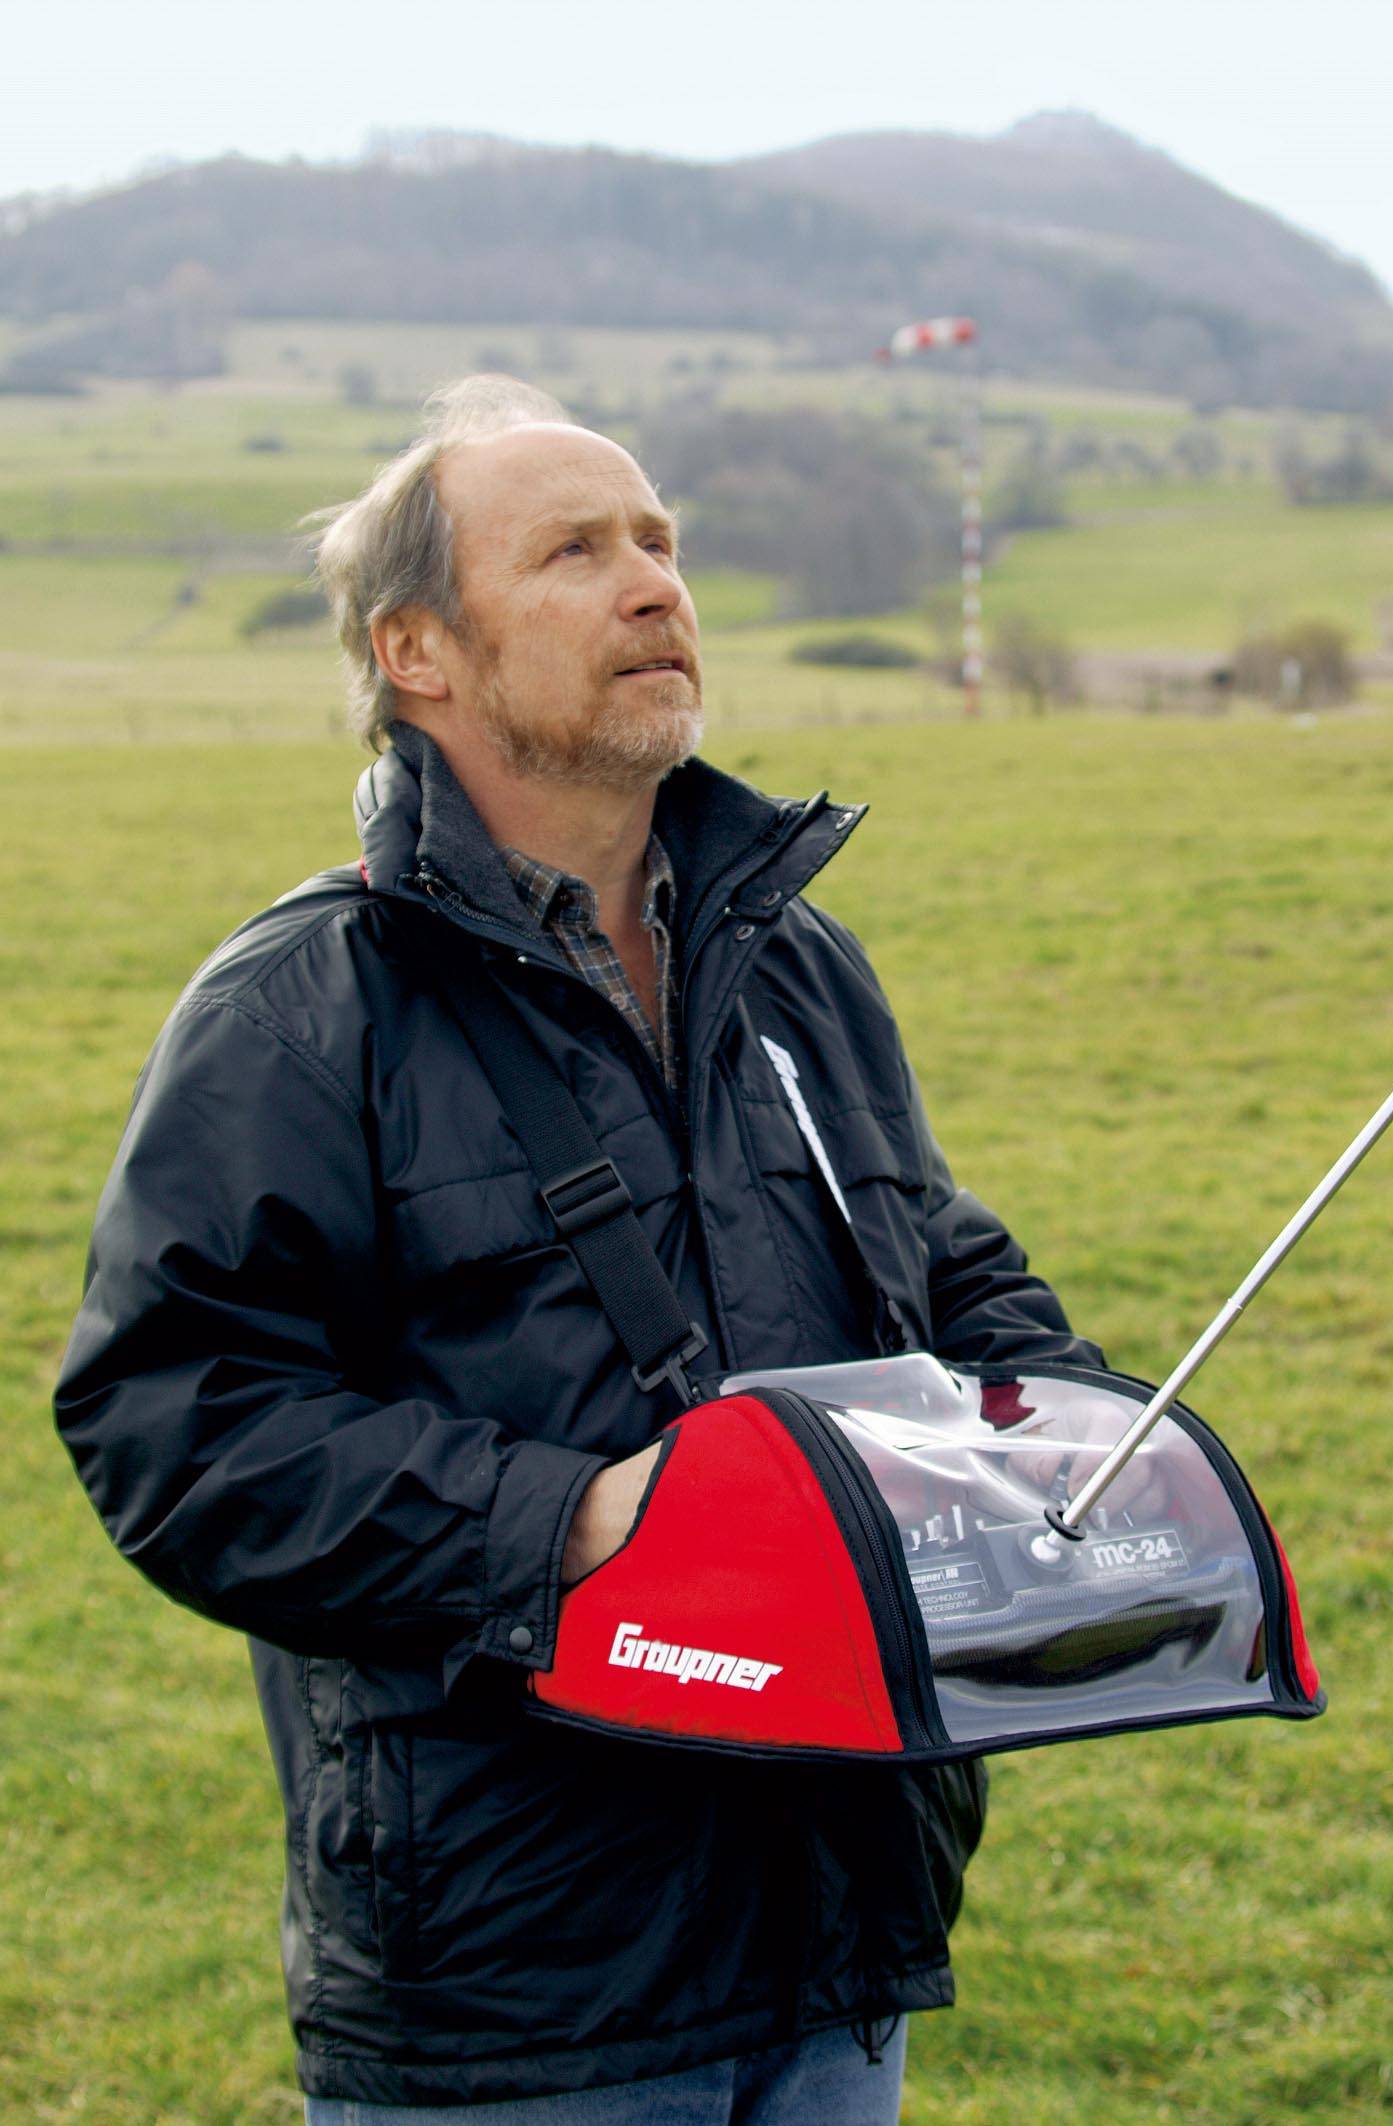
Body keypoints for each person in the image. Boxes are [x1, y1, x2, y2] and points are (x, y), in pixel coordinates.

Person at [55, 376, 1105, 2124]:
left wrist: (1079, 1441)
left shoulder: (799, 965)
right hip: (518, 1980)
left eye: (660, 540)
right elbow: (177, 1419)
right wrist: (570, 1523)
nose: (651, 583)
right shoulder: (306, 1012)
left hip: (838, 1919)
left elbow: (937, 1256)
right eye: (572, 550)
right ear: (419, 652)